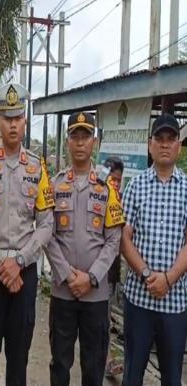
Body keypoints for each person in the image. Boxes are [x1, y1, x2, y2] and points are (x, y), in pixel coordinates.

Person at [0, 82, 54, 386]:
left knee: (19, 357)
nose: (13, 124)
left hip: (24, 271)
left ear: (25, 121)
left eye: (18, 118)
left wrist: (19, 260)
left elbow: (46, 223)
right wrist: (0, 265)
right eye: (7, 118)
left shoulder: (36, 168)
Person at [44, 112, 124, 386]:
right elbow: (47, 235)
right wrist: (68, 275)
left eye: (85, 136)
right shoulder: (55, 185)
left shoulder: (107, 189)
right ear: (67, 141)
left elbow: (114, 239)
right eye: (74, 136)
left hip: (96, 295)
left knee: (93, 367)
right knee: (60, 365)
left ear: (95, 141)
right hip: (63, 292)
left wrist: (90, 278)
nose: (80, 142)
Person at [121, 113, 187, 386]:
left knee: (172, 377)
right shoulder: (135, 186)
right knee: (133, 374)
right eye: (159, 139)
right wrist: (148, 274)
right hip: (139, 299)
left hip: (175, 302)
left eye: (170, 139)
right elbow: (124, 237)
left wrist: (169, 278)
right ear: (150, 145)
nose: (164, 144)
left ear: (179, 146)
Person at [102, 156, 125, 378]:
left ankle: (106, 361)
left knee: (105, 318)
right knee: (102, 319)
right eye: (112, 179)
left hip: (111, 272)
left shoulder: (119, 202)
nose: (115, 184)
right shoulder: (99, 197)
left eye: (118, 180)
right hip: (98, 272)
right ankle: (106, 361)